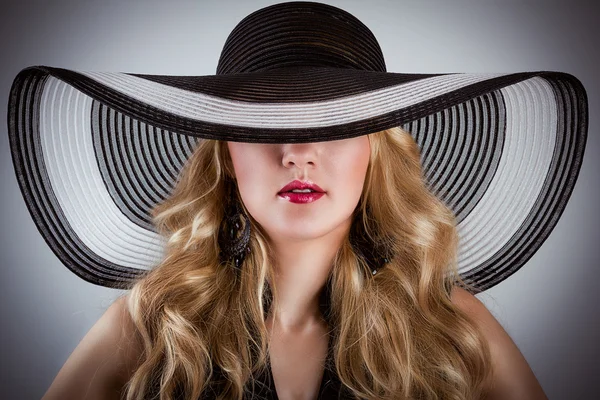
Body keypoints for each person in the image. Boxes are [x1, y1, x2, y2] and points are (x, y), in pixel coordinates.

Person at [8, 2, 587, 399]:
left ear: (373, 149)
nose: (298, 152)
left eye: (333, 121)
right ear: (227, 158)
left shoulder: (449, 323)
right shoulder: (154, 326)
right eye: (263, 122)